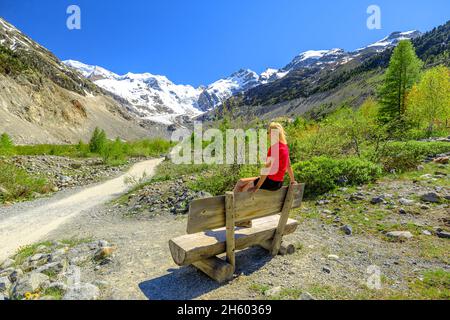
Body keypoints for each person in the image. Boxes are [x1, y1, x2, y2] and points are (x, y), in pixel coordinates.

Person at [233, 122, 296, 227]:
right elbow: (288, 166)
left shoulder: (274, 148)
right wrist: (292, 180)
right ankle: (234, 211)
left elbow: (267, 170)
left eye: (268, 132)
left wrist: (257, 186)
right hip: (278, 182)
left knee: (245, 190)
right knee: (241, 182)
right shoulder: (284, 147)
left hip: (270, 181)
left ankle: (245, 219)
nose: (267, 135)